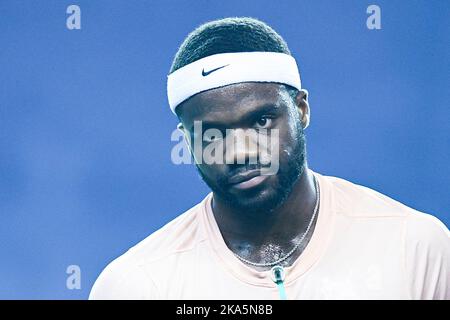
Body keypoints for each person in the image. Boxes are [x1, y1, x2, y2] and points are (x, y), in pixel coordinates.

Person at [89, 17, 449, 299]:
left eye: (261, 121)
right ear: (186, 141)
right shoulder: (137, 285)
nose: (241, 151)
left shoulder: (414, 246)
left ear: (301, 110)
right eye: (212, 133)